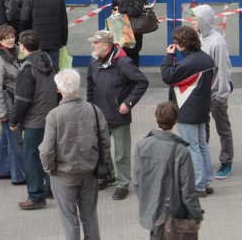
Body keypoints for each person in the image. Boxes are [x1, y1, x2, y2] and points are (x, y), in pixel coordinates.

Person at [39, 69, 110, 240]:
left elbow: (47, 149)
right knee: (90, 216)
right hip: (89, 172)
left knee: (69, 220)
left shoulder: (54, 115)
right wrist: (104, 163)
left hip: (63, 174)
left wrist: (49, 169)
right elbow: (105, 142)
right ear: (78, 87)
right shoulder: (94, 110)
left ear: (59, 89)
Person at [86, 29, 149, 200]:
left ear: (105, 46)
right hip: (99, 113)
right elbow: (91, 86)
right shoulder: (95, 64)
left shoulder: (124, 63)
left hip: (118, 115)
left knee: (121, 153)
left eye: (96, 43)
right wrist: (90, 107)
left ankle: (123, 183)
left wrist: (128, 103)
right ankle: (108, 175)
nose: (93, 46)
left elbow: (142, 82)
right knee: (102, 148)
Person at [134, 102, 204, 239]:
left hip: (153, 214)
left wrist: (147, 203)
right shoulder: (181, 151)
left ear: (155, 118)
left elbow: (137, 182)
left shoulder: (142, 145)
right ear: (175, 121)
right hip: (175, 217)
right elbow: (188, 192)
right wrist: (196, 216)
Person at [161, 26, 215, 196]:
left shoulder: (189, 62)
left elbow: (168, 76)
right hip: (202, 108)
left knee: (192, 148)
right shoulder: (206, 58)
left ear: (182, 44)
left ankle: (198, 186)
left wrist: (169, 57)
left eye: (176, 42)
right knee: (202, 145)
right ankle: (207, 182)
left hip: (187, 110)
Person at [10, 30, 58, 210]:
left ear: (22, 47)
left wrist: (14, 121)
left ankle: (36, 196)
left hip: (33, 120)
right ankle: (50, 188)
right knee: (49, 154)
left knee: (31, 157)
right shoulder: (48, 61)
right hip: (51, 116)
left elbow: (22, 100)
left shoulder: (27, 68)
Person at [189, 5, 234, 179]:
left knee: (223, 128)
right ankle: (202, 159)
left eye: (195, 19)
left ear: (203, 21)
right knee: (202, 127)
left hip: (216, 94)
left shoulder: (217, 43)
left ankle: (226, 161)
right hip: (202, 93)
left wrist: (221, 96)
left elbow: (223, 70)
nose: (192, 22)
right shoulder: (199, 38)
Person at [0, 24, 26, 184]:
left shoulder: (16, 52)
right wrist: (1, 113)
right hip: (8, 103)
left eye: (12, 36)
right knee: (15, 140)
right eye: (6, 38)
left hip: (13, 100)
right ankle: (19, 175)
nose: (11, 40)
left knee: (6, 138)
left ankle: (3, 170)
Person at [20, 0, 68, 69]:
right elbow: (64, 21)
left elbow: (24, 19)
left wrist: (23, 38)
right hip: (54, 42)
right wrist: (63, 41)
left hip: (34, 42)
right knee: (53, 69)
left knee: (36, 69)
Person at [112, 0, 148, 66]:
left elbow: (137, 10)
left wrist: (121, 10)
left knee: (132, 56)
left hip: (134, 30)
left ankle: (134, 79)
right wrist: (114, 10)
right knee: (121, 55)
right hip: (121, 29)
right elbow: (114, 4)